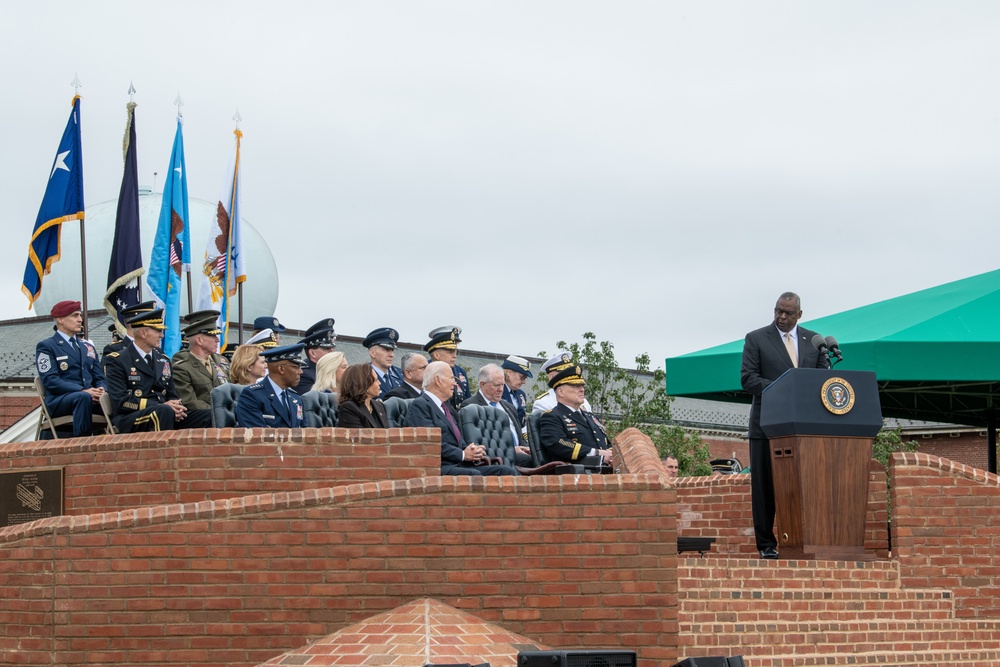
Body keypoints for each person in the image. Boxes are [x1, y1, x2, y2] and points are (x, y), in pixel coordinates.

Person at [741, 291, 830, 560]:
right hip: (766, 426)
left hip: (803, 429)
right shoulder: (756, 338)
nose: (781, 316)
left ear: (799, 315)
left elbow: (823, 379)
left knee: (801, 486)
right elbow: (748, 379)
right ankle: (766, 545)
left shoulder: (814, 342)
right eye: (778, 310)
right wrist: (784, 387)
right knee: (765, 488)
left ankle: (805, 540)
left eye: (788, 313)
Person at [103, 309, 213, 432]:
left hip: (165, 412)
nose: (161, 335)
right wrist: (161, 406)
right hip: (131, 417)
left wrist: (178, 408)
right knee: (163, 412)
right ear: (143, 333)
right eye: (158, 331)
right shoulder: (117, 360)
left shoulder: (163, 360)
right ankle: (164, 451)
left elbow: (172, 394)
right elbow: (121, 401)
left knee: (209, 415)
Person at [403, 361, 516, 476]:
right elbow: (430, 443)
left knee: (506, 471)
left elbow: (457, 438)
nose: (454, 384)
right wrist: (462, 454)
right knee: (475, 476)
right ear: (438, 380)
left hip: (459, 464)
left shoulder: (446, 406)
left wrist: (471, 450)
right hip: (440, 467)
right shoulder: (421, 405)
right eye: (452, 378)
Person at [34, 300, 107, 437]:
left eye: (80, 315)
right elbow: (50, 380)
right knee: (83, 397)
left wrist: (101, 390)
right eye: (75, 316)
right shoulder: (47, 346)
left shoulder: (87, 347)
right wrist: (83, 390)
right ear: (60, 319)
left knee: (116, 397)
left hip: (88, 396)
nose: (80, 320)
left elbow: (99, 377)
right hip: (60, 399)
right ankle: (82, 444)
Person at [538, 364, 613, 465]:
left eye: (582, 386)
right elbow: (558, 444)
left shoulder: (590, 416)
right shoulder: (552, 417)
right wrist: (596, 453)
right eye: (575, 386)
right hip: (576, 473)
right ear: (560, 392)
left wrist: (612, 454)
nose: (582, 389)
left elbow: (606, 443)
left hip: (604, 470)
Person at [461, 363, 532, 466]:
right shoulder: (470, 406)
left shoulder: (509, 407)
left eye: (502, 384)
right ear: (482, 385)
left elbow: (519, 435)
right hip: (495, 458)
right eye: (496, 385)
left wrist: (526, 448)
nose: (501, 389)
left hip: (519, 454)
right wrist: (511, 450)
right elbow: (479, 441)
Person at [235, 344, 307, 428]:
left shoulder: (296, 398)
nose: (301, 372)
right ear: (281, 369)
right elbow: (255, 436)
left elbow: (305, 433)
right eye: (296, 367)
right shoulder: (252, 395)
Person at [170, 313, 230, 410]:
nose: (217, 340)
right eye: (213, 336)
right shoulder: (182, 366)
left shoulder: (221, 361)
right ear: (199, 340)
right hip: (204, 418)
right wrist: (220, 413)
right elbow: (190, 402)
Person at [423, 325, 469, 408]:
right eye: (450, 352)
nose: (455, 356)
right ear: (436, 355)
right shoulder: (424, 370)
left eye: (455, 352)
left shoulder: (460, 372)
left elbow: (467, 399)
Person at [337, 363, 389, 429]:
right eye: (376, 380)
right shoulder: (349, 408)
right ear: (365, 384)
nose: (379, 383)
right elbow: (358, 437)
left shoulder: (379, 406)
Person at [294, 318, 335, 394]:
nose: (332, 351)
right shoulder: (303, 375)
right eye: (326, 348)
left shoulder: (333, 370)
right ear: (312, 353)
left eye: (332, 347)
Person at [362, 327, 404, 397]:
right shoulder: (362, 375)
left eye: (392, 350)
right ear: (372, 353)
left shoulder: (400, 374)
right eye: (386, 350)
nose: (391, 355)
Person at [500, 355, 532, 430]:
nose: (524, 382)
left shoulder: (521, 394)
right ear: (509, 373)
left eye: (525, 378)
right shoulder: (497, 392)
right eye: (522, 377)